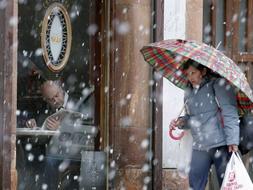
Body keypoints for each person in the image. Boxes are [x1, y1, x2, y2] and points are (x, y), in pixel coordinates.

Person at [169, 60, 239, 190]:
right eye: (188, 74)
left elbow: (230, 112)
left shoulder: (218, 84)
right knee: (195, 186)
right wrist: (181, 122)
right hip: (200, 146)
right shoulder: (189, 92)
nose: (190, 78)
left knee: (228, 185)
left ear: (203, 71)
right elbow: (192, 119)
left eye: (193, 73)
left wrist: (233, 141)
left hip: (221, 144)